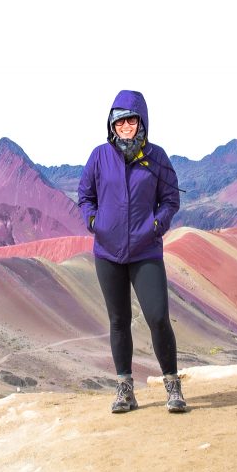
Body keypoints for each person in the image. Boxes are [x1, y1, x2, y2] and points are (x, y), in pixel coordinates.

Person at [77, 89, 187, 413]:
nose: (125, 127)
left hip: (145, 251)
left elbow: (171, 199)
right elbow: (85, 195)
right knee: (118, 321)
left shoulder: (156, 157)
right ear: (112, 125)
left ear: (142, 123)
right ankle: (125, 390)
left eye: (131, 121)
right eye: (120, 122)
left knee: (158, 317)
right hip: (107, 253)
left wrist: (157, 225)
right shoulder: (99, 156)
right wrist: (94, 221)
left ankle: (172, 386)